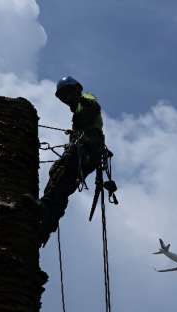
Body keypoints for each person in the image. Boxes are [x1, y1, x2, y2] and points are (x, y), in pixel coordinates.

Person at [38, 76, 106, 246]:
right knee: (60, 180)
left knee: (60, 176)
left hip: (87, 150)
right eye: (62, 97)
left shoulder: (86, 102)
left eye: (67, 94)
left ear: (77, 89)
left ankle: (44, 211)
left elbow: (91, 106)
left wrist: (78, 125)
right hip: (86, 152)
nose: (66, 100)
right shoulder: (79, 111)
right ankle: (46, 224)